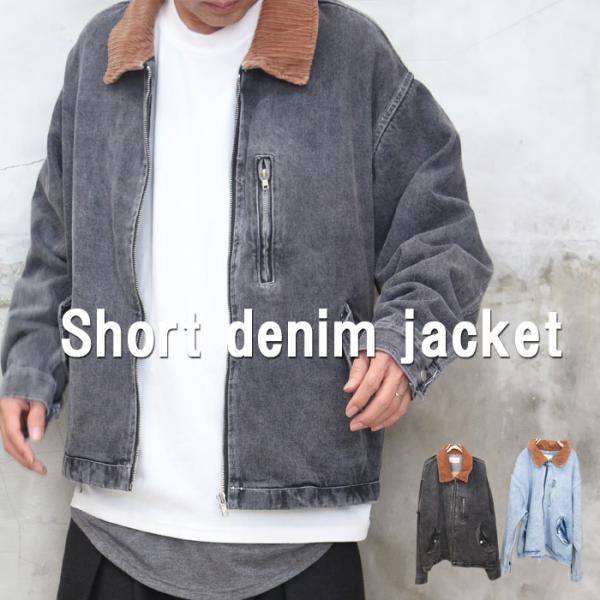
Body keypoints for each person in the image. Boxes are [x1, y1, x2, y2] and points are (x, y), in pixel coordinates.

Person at [0, 0, 493, 598]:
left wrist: (404, 344)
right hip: (116, 524)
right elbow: (58, 241)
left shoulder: (350, 53)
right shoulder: (103, 53)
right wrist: (31, 364)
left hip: (302, 528)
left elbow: (442, 234)